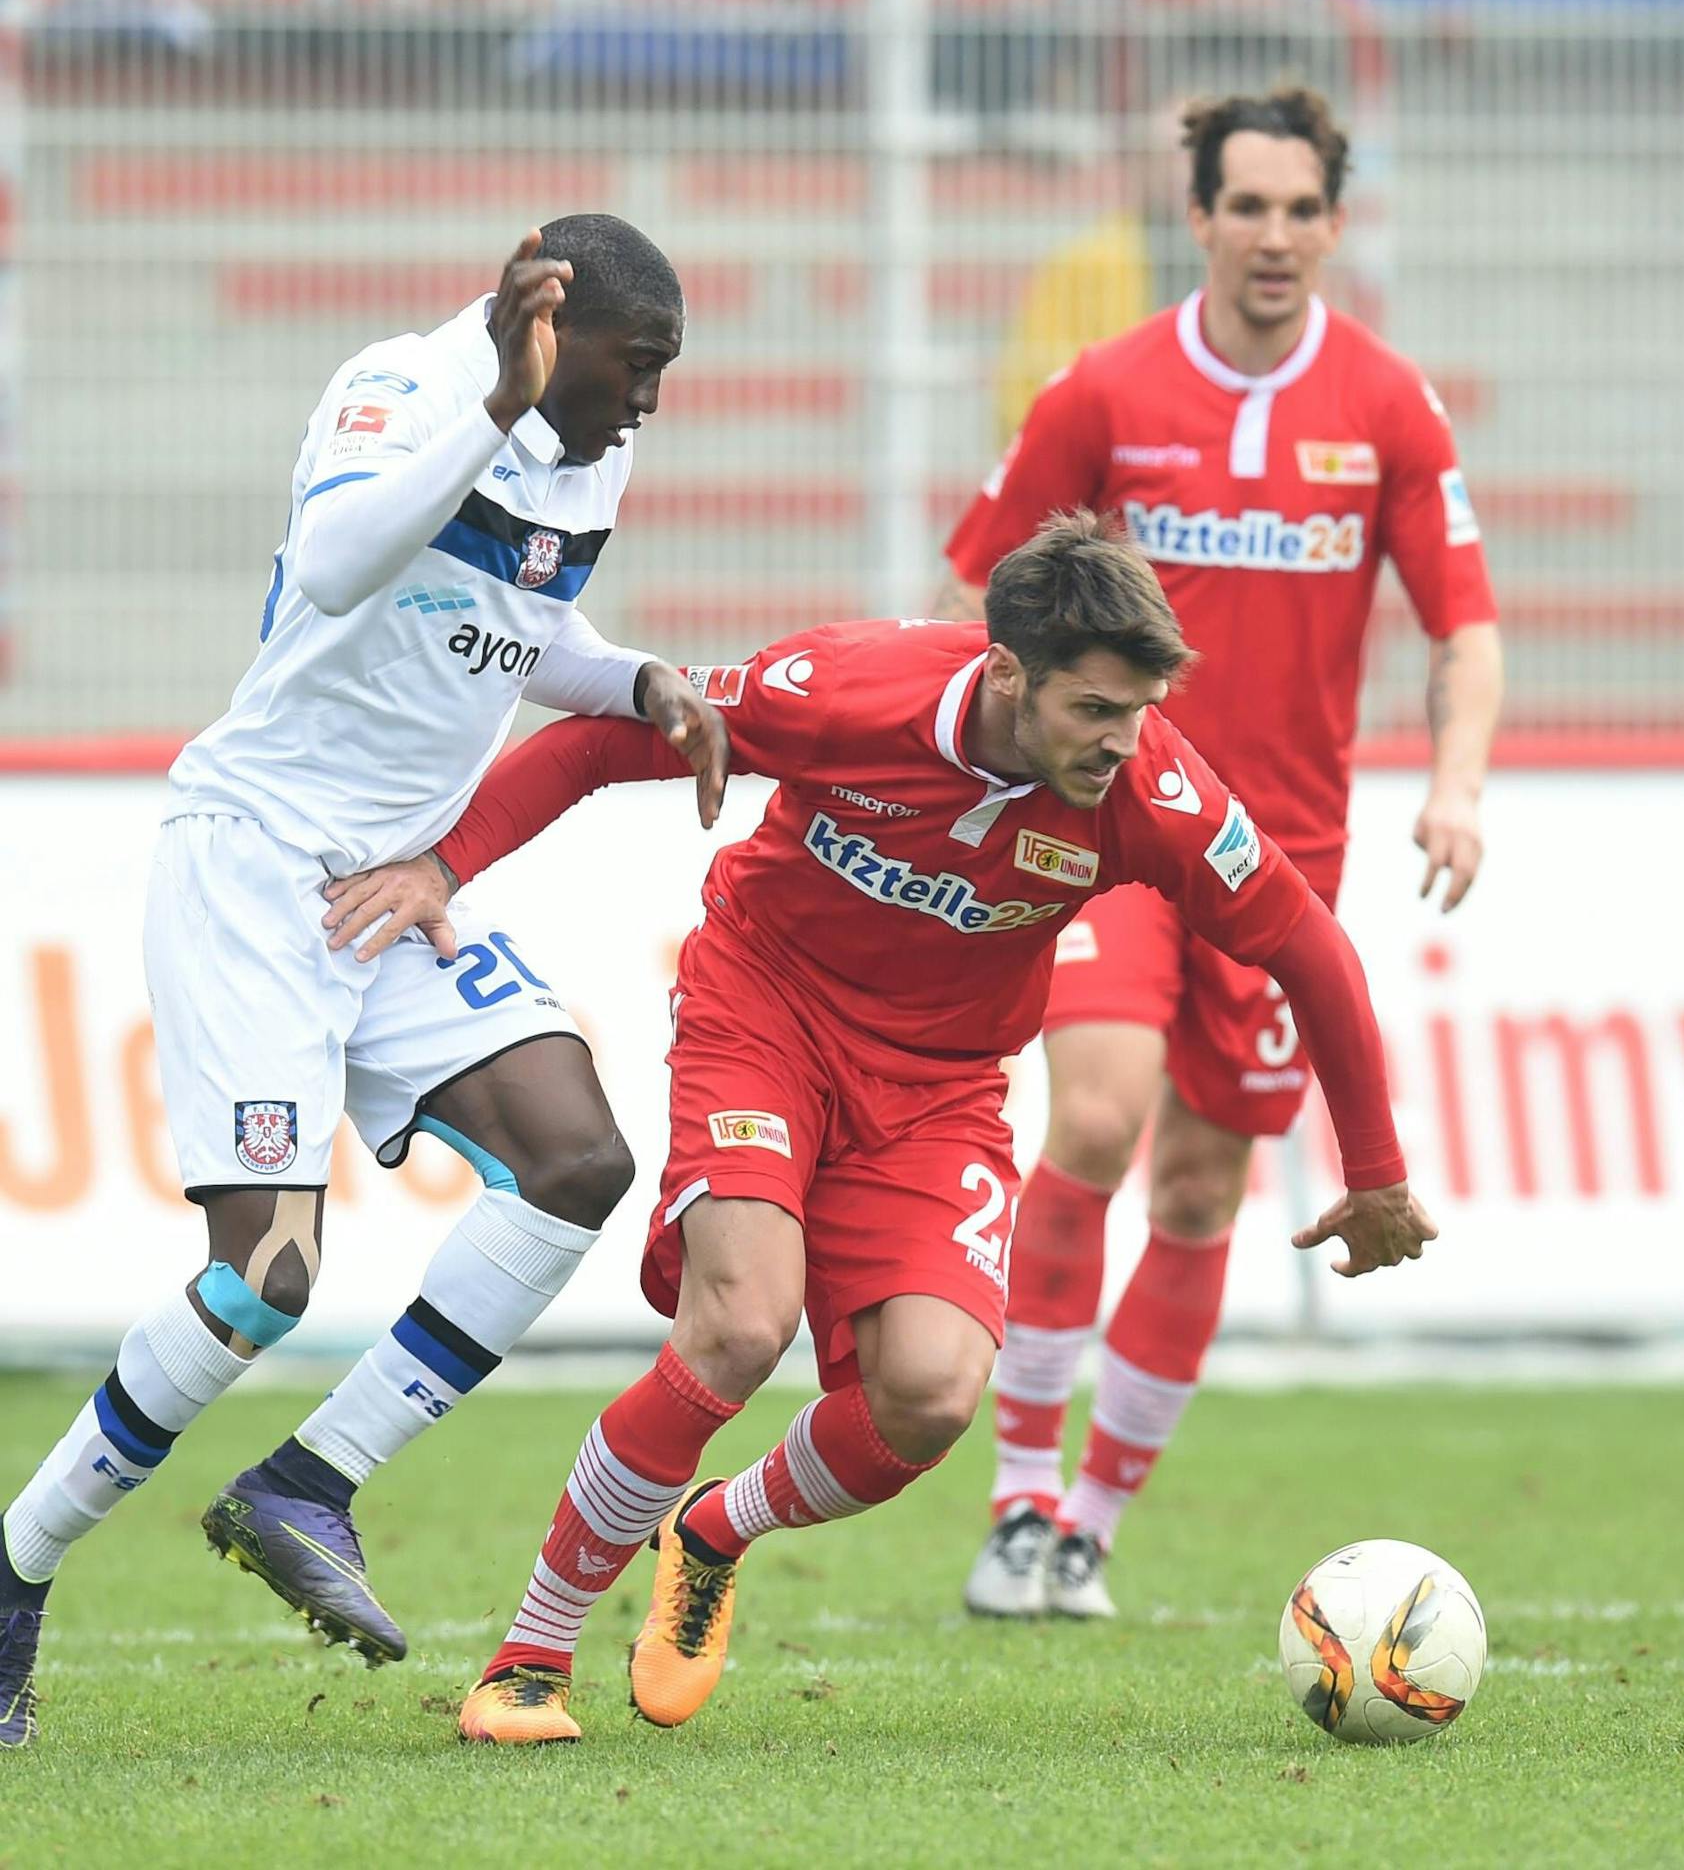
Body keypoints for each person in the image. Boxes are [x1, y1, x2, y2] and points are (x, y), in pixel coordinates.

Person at [319, 509, 1437, 1745]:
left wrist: (1375, 1171)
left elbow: (1307, 950)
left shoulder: (1151, 789)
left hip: (941, 1085)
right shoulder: (847, 690)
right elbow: (601, 743)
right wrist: (443, 865)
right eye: (1092, 711)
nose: (1121, 743)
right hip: (768, 1012)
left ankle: (711, 1530)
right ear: (1008, 670)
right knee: (741, 1323)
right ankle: (530, 1655)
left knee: (930, 1395)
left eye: (1134, 712)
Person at [0, 216, 730, 1749]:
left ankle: (305, 1484)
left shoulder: (589, 454)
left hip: (387, 894)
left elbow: (517, 632)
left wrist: (642, 682)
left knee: (580, 1156)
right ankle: (18, 1567)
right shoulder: (403, 391)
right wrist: (493, 412)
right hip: (257, 864)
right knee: (268, 1278)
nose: (648, 403)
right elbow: (337, 568)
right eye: (632, 367)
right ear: (543, 320)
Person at [937, 88, 1504, 1619]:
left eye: (1299, 209)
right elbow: (985, 589)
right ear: (1197, 218)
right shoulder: (1106, 391)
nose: (1272, 235)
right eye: (1244, 206)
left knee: (1197, 1192)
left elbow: (1465, 624)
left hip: (1281, 863)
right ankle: (1019, 1501)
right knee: (1100, 1125)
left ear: (1334, 222)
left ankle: (1091, 1531)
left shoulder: (1387, 405)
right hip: (1110, 835)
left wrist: (1454, 785)